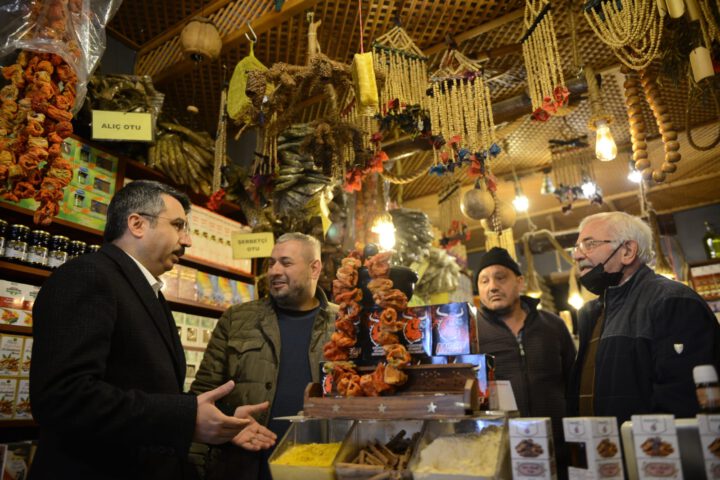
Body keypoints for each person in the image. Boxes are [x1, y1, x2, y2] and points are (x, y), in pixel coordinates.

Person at [30, 180, 273, 480]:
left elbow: (148, 390)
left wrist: (216, 425)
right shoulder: (88, 277)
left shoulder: (147, 290)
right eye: (177, 225)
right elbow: (64, 398)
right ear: (137, 224)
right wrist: (186, 418)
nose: (188, 241)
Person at [190, 232, 337, 480]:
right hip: (244, 468)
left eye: (286, 263)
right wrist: (195, 466)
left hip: (322, 468)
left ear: (314, 268)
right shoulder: (236, 319)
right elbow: (202, 395)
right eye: (271, 263)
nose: (274, 271)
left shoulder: (345, 323)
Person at [568, 211, 720, 424]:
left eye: (590, 244)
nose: (577, 255)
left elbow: (683, 403)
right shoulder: (591, 314)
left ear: (628, 251)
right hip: (600, 451)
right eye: (577, 247)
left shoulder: (672, 301)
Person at [475, 247, 576, 474]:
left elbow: (574, 382)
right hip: (501, 451)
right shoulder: (471, 334)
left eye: (500, 278)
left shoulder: (553, 325)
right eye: (484, 281)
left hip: (558, 447)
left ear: (519, 282)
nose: (492, 286)